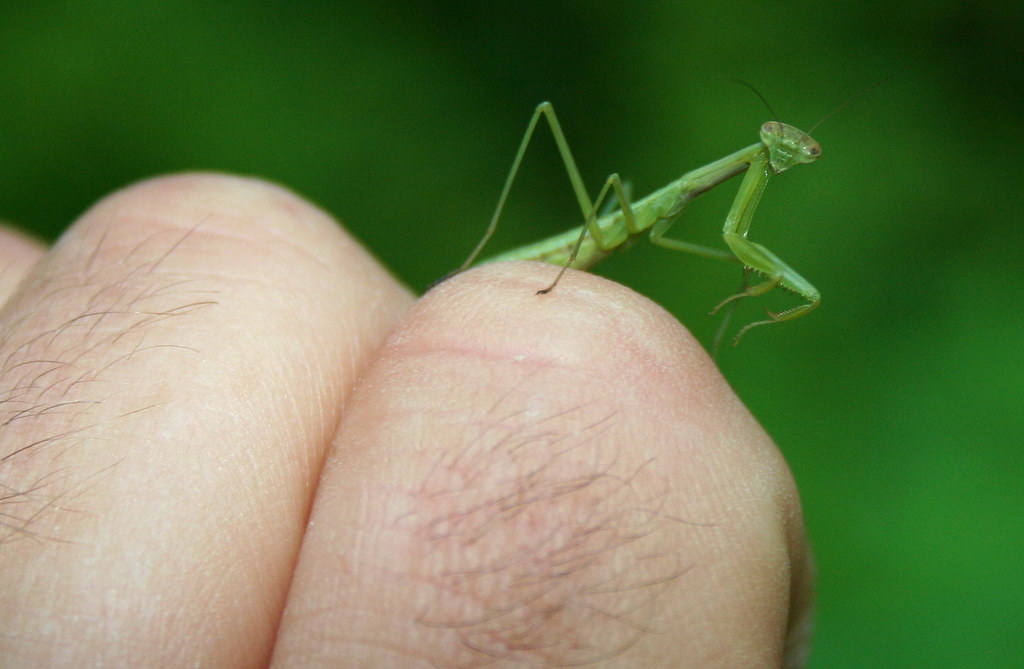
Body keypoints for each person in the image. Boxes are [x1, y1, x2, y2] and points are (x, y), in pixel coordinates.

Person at [0, 174, 812, 667]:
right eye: (784, 150)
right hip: (562, 252)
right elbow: (725, 236)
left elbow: (728, 237)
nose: (791, 158)